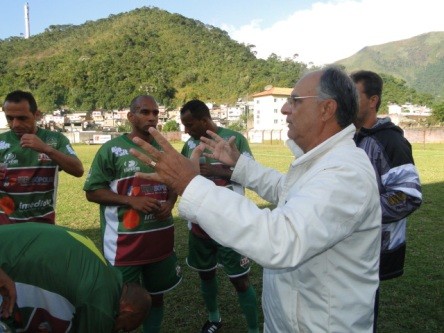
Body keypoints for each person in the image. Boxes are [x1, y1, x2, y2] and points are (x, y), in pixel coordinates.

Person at [130, 66, 382, 332]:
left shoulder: (345, 172)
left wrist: (189, 184)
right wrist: (240, 165)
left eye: (294, 101)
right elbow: (286, 189)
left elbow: (280, 239)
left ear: (326, 109)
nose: (285, 109)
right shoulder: (324, 162)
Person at [83, 95, 181, 333]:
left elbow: (174, 185)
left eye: (155, 113)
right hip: (124, 244)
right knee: (123, 301)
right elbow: (92, 192)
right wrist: (130, 200)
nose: (152, 117)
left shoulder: (165, 150)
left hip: (159, 240)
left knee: (156, 297)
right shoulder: (112, 149)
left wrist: (169, 202)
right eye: (145, 112)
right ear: (131, 116)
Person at [351, 70, 422, 331]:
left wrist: (357, 213)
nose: (346, 101)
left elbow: (408, 196)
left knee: (364, 311)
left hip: (374, 246)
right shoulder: (349, 137)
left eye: (353, 95)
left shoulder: (391, 141)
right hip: (350, 241)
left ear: (373, 101)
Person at [180, 100, 259, 333]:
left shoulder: (234, 139)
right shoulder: (190, 144)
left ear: (205, 121)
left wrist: (214, 170)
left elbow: (251, 174)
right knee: (206, 275)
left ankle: (254, 329)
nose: (186, 130)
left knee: (240, 280)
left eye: (190, 124)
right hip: (199, 222)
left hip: (230, 223)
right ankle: (214, 319)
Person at [0, 222, 151, 333]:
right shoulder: (102, 303)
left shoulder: (108, 275)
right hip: (8, 261)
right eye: (123, 328)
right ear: (127, 309)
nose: (118, 330)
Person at [0, 90, 84, 224]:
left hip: (43, 223)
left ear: (37, 115)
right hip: (5, 224)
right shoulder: (1, 141)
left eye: (22, 118)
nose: (15, 124)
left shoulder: (55, 139)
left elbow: (78, 170)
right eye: (10, 118)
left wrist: (46, 149)